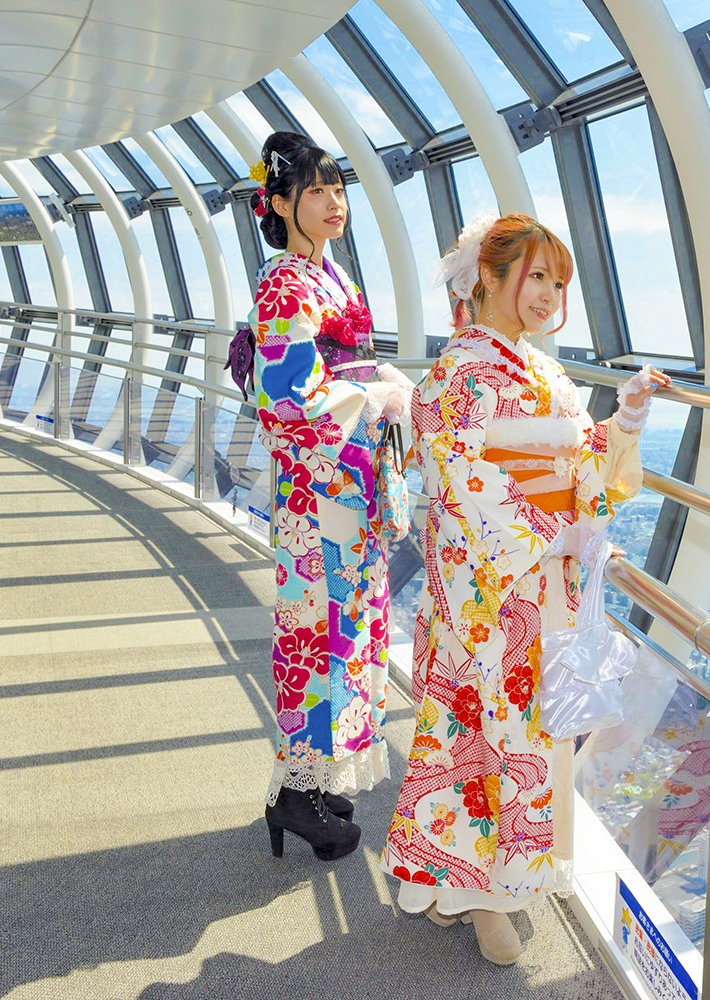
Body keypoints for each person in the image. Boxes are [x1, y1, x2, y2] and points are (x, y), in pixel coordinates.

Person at [381, 214, 670, 963]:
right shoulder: (455, 378)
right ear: (487, 277)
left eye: (558, 281)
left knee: (529, 738)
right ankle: (483, 896)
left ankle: (481, 880)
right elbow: (460, 482)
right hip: (492, 589)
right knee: (489, 738)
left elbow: (586, 468)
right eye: (535, 276)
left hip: (544, 581)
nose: (548, 294)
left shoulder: (545, 374)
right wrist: (546, 534)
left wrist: (625, 421)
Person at [247, 131, 412, 862]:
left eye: (337, 189)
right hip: (318, 494)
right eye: (314, 191)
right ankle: (296, 794)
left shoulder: (330, 278)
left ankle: (313, 782)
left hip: (348, 481)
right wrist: (372, 395)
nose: (332, 203)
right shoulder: (284, 285)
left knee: (348, 632)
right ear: (279, 203)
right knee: (317, 637)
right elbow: (288, 393)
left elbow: (336, 373)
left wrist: (373, 391)